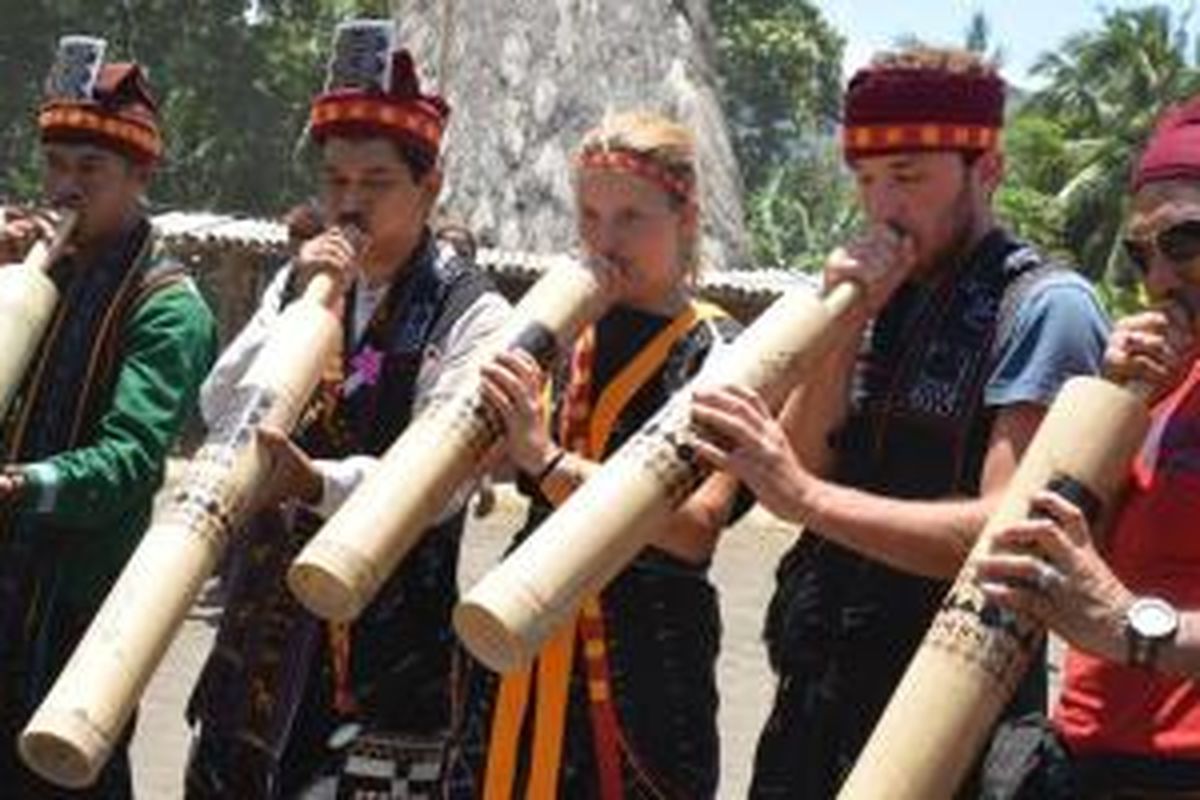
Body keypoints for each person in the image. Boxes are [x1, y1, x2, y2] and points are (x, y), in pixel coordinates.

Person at [689, 45, 1112, 798]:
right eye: (867, 180)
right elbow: (808, 461)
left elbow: (1003, 538)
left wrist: (805, 501)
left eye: (909, 178)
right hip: (816, 704)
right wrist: (843, 325)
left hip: (948, 722)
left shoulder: (1047, 308)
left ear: (988, 170)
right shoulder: (881, 296)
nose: (883, 206)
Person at [183, 20, 509, 798]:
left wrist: (314, 484)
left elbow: (443, 481)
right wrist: (304, 296)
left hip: (384, 657)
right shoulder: (304, 280)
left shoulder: (473, 313)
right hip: (260, 637)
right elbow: (222, 404)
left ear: (429, 189)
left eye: (375, 182)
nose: (349, 203)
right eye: (334, 181)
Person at [446, 110, 744, 799]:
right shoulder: (558, 329)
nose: (605, 242)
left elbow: (694, 530)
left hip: (645, 666)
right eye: (589, 217)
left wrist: (546, 460)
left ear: (686, 216)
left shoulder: (721, 353)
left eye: (631, 218)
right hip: (518, 632)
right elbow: (479, 468)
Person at [0, 36, 217, 798]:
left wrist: (23, 484)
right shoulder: (32, 272)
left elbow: (129, 460)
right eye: (55, 164)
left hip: (79, 614)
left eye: (89, 169)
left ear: (140, 174)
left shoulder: (168, 306)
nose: (64, 187)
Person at [976, 95, 1200, 799]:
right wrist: (1113, 400)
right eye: (1142, 253)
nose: (1159, 277)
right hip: (1085, 755)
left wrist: (1132, 628)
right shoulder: (1164, 379)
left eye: (1186, 244)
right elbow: (1082, 546)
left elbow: (1107, 610)